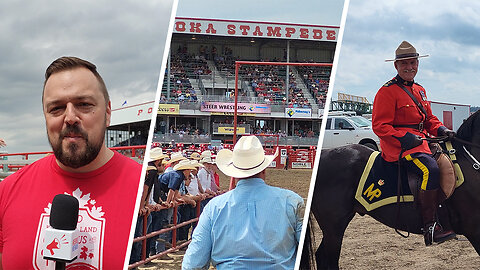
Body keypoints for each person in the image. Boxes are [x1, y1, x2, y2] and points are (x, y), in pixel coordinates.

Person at [0, 56, 142, 269]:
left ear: (108, 112)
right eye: (56, 108)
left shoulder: (140, 185)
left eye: (84, 104)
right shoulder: (7, 191)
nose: (70, 117)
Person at [372, 41, 456, 246]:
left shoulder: (420, 90)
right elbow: (379, 126)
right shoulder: (387, 91)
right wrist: (403, 138)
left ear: (418, 63)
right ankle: (430, 226)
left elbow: (428, 120)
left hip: (422, 144)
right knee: (431, 170)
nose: (409, 67)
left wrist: (442, 130)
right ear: (396, 66)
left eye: (413, 62)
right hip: (399, 148)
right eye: (404, 64)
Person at [182, 136, 304, 269]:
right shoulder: (292, 201)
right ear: (264, 169)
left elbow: (193, 263)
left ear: (234, 172)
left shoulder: (214, 207)